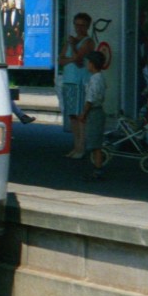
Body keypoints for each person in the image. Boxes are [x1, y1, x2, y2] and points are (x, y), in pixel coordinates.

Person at [58, 12, 95, 158]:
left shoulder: (88, 42)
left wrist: (73, 48)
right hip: (68, 80)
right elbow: (60, 60)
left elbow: (79, 61)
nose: (79, 28)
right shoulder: (69, 41)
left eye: (82, 25)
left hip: (80, 81)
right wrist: (72, 57)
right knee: (72, 116)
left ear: (87, 26)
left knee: (81, 115)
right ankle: (76, 145)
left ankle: (81, 147)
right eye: (77, 24)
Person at [77, 51, 107, 179]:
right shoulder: (100, 77)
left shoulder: (95, 79)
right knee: (95, 142)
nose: (86, 65)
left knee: (94, 144)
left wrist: (84, 113)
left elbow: (90, 98)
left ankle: (97, 169)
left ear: (92, 64)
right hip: (98, 110)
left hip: (94, 111)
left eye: (88, 63)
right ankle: (96, 168)